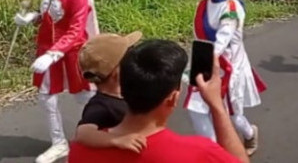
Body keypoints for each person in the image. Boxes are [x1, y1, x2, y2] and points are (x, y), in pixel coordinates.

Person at [68, 40, 250, 163]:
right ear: (173, 98)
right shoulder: (199, 153)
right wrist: (217, 106)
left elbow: (82, 133)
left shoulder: (78, 152)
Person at [13, 0, 99, 163]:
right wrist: (32, 18)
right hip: (48, 48)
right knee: (45, 96)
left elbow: (75, 29)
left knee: (83, 95)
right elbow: (50, 16)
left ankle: (96, 136)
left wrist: (54, 54)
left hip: (72, 51)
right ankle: (59, 142)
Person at [185, 0, 264, 156]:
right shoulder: (203, 4)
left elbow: (222, 41)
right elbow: (199, 39)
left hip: (230, 69)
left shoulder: (231, 7)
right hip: (206, 65)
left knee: (232, 116)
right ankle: (213, 152)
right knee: (196, 109)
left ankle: (249, 134)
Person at [74, 32, 144, 153]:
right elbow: (83, 133)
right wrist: (116, 140)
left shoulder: (126, 92)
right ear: (116, 73)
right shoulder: (101, 106)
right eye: (129, 57)